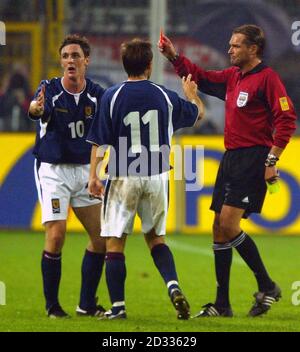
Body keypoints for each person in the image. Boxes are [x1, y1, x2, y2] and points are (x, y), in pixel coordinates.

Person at [159, 24, 297, 317]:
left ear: (253, 49)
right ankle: (222, 304)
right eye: (230, 44)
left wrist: (271, 162)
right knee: (218, 228)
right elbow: (202, 78)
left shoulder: (268, 79)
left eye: (236, 45)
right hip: (231, 158)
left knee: (229, 224)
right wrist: (174, 57)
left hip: (253, 158)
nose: (230, 49)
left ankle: (267, 285)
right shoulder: (234, 77)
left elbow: (286, 120)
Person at [87, 38, 204, 320]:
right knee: (156, 239)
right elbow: (198, 114)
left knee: (115, 243)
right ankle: (173, 285)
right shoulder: (164, 95)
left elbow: (98, 142)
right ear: (150, 65)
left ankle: (118, 308)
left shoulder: (112, 96)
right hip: (156, 175)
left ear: (123, 64)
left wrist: (93, 175)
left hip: (124, 174)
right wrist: (191, 95)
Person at [28, 34, 106, 318]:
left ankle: (86, 305)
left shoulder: (98, 94)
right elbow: (37, 108)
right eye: (65, 56)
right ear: (61, 62)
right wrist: (35, 110)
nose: (70, 60)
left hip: (86, 171)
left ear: (86, 60)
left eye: (75, 55)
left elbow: (106, 131)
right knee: (57, 234)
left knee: (101, 238)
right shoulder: (49, 88)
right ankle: (52, 307)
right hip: (54, 171)